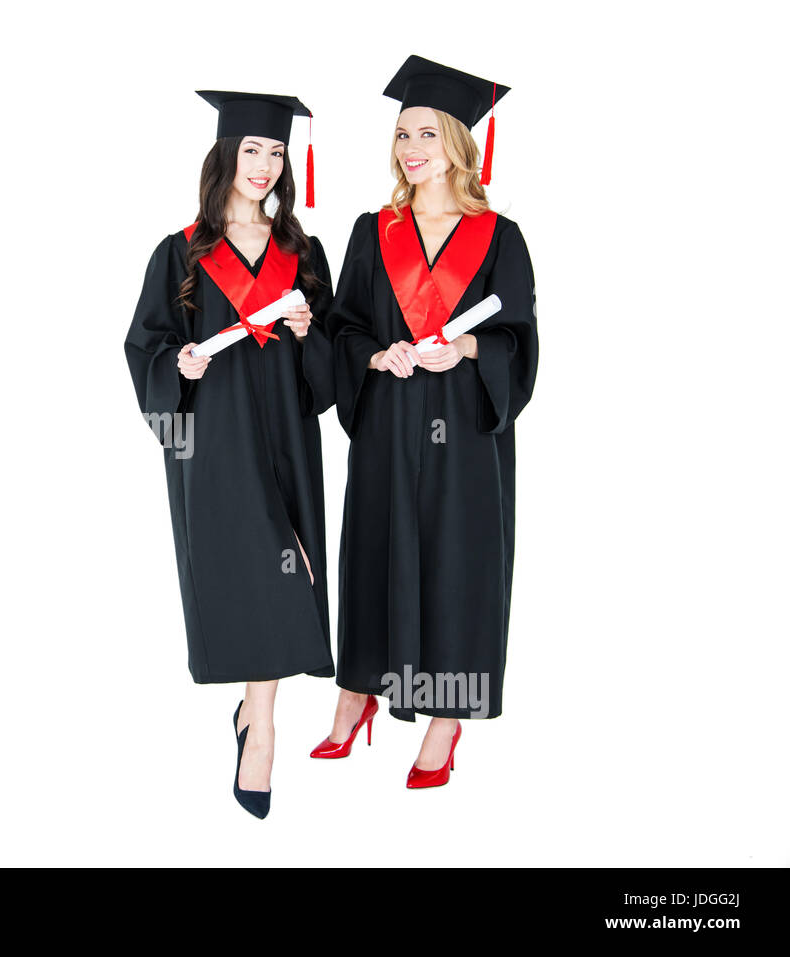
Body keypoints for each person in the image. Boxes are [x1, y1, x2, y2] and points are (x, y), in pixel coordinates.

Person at [315, 56, 538, 788]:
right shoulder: (370, 229)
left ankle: (445, 717)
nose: (411, 149)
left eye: (426, 135)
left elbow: (520, 340)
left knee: (456, 563)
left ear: (458, 145)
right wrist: (379, 356)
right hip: (388, 421)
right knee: (376, 551)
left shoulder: (500, 237)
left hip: (465, 432)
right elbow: (341, 328)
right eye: (403, 134)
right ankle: (358, 690)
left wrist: (468, 346)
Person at [124, 90, 335, 818]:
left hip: (285, 437)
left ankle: (258, 720)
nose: (265, 165)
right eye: (252, 150)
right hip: (212, 439)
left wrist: (310, 335)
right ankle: (262, 725)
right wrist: (173, 367)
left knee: (290, 565)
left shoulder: (302, 255)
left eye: (276, 152)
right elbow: (144, 344)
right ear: (225, 156)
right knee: (252, 572)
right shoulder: (181, 251)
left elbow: (328, 377)